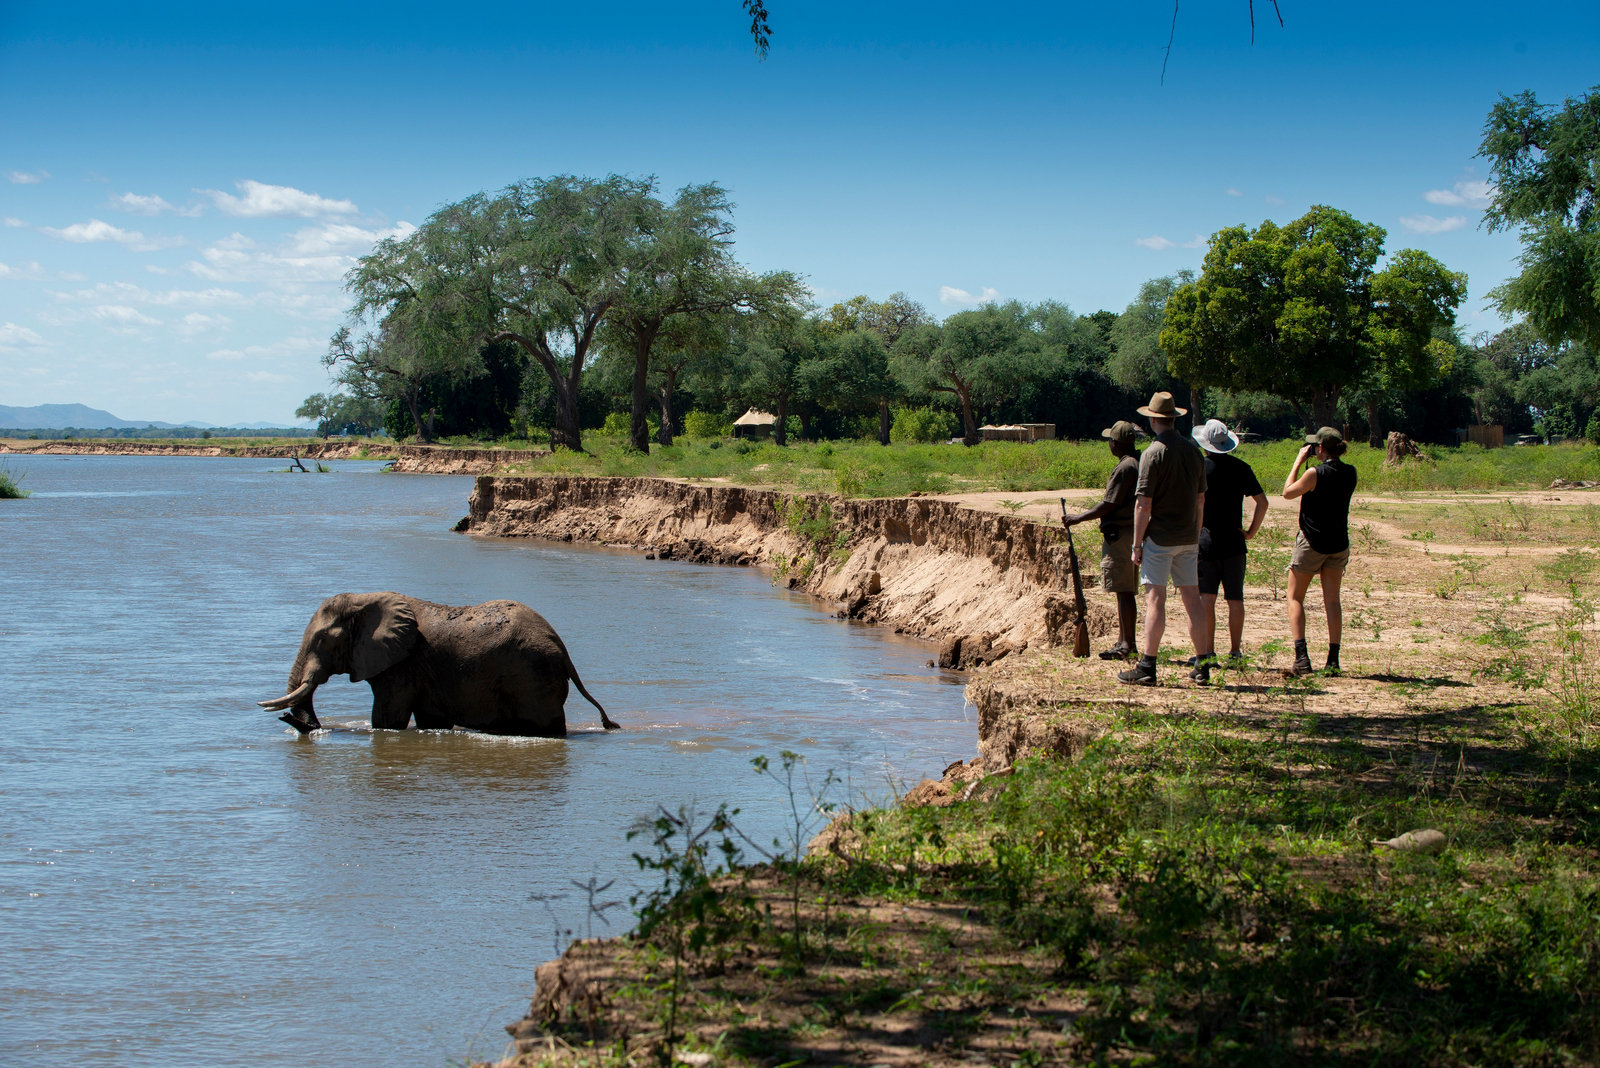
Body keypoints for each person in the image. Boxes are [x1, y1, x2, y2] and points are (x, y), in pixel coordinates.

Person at [1118, 392, 1208, 687]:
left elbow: (1144, 504)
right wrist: (1195, 536)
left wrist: (1136, 544)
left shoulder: (1153, 453)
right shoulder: (1194, 452)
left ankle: (1148, 665)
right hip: (1187, 537)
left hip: (1160, 538)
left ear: (1153, 418)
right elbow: (1200, 500)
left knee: (1156, 599)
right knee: (1192, 599)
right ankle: (1203, 664)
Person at [1191, 419, 1268, 664]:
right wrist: (1251, 532)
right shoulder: (1241, 467)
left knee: (1207, 598)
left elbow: (1197, 504)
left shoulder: (1200, 469)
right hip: (1235, 542)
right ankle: (1235, 652)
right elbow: (1262, 502)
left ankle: (1208, 652)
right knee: (1235, 599)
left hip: (1207, 541)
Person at [1283, 426, 1358, 676]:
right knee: (1332, 601)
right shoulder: (1350, 472)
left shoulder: (1315, 473)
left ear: (1321, 448)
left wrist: (1297, 462)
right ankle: (1333, 659)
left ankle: (1302, 657)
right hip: (1338, 544)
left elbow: (1288, 492)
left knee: (1295, 598)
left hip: (1312, 542)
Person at [1063, 420, 1141, 659]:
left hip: (1121, 535)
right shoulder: (1136, 463)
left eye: (1110, 441)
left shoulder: (1125, 467)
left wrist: (1078, 518)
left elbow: (1109, 504)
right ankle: (1123, 641)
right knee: (1122, 589)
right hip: (1128, 533)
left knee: (1124, 590)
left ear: (1115, 443)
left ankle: (1127, 644)